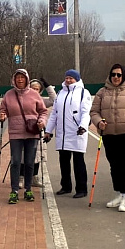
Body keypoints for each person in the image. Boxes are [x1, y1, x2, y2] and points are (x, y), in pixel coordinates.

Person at [90, 64, 125, 212]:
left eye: (119, 75)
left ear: (124, 76)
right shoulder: (102, 92)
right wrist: (98, 122)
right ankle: (118, 194)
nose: (115, 77)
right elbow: (94, 111)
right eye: (113, 74)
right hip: (109, 134)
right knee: (114, 166)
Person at [0, 69, 49, 204]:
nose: (20, 80)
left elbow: (43, 111)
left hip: (32, 132)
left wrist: (42, 122)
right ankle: (14, 190)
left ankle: (28, 189)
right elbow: (3, 109)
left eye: (22, 77)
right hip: (15, 133)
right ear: (14, 80)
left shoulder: (34, 94)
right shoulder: (8, 95)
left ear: (26, 79)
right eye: (17, 78)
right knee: (15, 162)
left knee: (29, 162)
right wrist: (2, 115)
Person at [45, 70, 92, 198]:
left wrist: (82, 126)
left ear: (77, 79)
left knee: (78, 162)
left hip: (76, 132)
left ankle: (81, 189)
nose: (68, 80)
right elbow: (54, 114)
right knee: (63, 161)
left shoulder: (83, 93)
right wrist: (48, 131)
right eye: (66, 78)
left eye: (71, 78)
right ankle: (66, 186)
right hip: (62, 133)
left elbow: (85, 112)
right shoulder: (61, 93)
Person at [28, 78, 57, 187]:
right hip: (25, 130)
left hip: (38, 130)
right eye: (33, 88)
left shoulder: (42, 101)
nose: (35, 91)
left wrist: (48, 86)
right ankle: (21, 177)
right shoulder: (23, 99)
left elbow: (54, 100)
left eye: (37, 89)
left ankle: (34, 177)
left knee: (37, 154)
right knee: (22, 154)